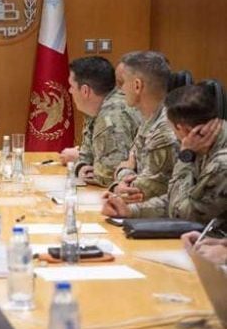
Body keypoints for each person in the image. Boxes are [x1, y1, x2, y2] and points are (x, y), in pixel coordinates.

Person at [103, 83, 227, 224]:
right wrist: (131, 210)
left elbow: (181, 213)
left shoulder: (221, 163)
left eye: (172, 129)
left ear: (183, 129)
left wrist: (185, 158)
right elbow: (176, 198)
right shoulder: (201, 143)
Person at [107, 51, 179, 202]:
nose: (121, 90)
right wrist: (125, 176)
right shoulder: (149, 120)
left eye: (123, 83)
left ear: (137, 86)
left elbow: (139, 193)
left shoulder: (165, 130)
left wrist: (122, 171)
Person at [65, 56, 140, 186]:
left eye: (71, 86)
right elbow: (87, 157)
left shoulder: (111, 115)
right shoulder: (96, 110)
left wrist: (90, 170)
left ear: (85, 91)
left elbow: (110, 175)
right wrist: (81, 167)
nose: (69, 91)